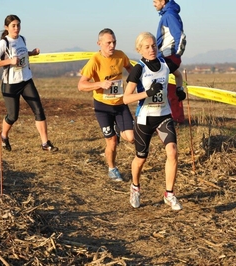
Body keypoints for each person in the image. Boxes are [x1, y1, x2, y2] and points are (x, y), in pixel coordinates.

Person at [123, 32, 186, 211]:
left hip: (164, 116)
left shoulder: (166, 63)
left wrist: (180, 89)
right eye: (147, 47)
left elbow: (179, 75)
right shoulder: (138, 69)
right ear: (139, 49)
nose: (151, 50)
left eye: (153, 46)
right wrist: (147, 93)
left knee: (172, 152)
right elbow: (126, 99)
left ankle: (169, 194)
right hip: (145, 119)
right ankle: (135, 187)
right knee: (141, 158)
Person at [0, 14, 58, 152]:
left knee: (39, 111)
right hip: (10, 85)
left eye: (18, 25)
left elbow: (22, 55)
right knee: (13, 116)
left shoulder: (22, 39)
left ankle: (45, 143)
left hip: (26, 80)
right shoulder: (3, 43)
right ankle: (3, 136)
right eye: (13, 25)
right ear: (6, 27)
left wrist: (31, 53)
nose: (16, 28)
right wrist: (9, 61)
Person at [78, 28, 134, 182]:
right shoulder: (94, 60)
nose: (112, 45)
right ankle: (112, 168)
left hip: (120, 103)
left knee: (131, 137)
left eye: (114, 42)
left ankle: (119, 128)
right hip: (102, 106)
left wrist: (136, 81)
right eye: (108, 42)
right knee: (112, 142)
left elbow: (130, 69)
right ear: (99, 43)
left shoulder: (120, 55)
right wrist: (100, 84)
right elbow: (81, 85)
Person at [153, 0, 187, 124]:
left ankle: (170, 119)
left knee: (159, 87)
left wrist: (176, 55)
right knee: (170, 88)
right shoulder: (167, 14)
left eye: (155, 1)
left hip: (167, 57)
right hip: (165, 56)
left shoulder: (169, 15)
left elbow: (180, 36)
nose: (153, 4)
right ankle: (176, 118)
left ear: (163, 1)